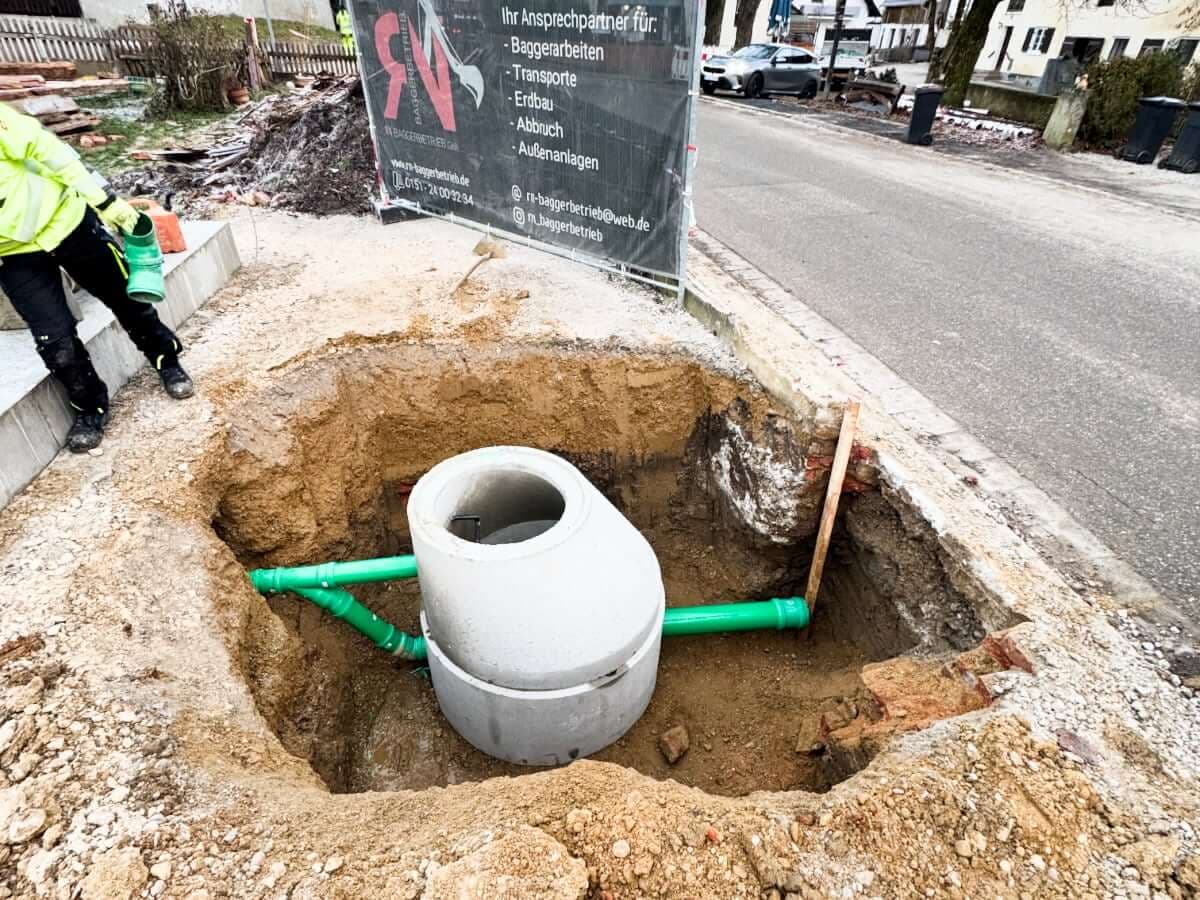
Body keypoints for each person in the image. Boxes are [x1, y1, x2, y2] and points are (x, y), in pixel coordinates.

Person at [0, 101, 193, 454]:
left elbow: (59, 158)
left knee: (127, 299)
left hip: (66, 221)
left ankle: (167, 360)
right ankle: (91, 407)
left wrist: (109, 206)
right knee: (54, 341)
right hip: (14, 255)